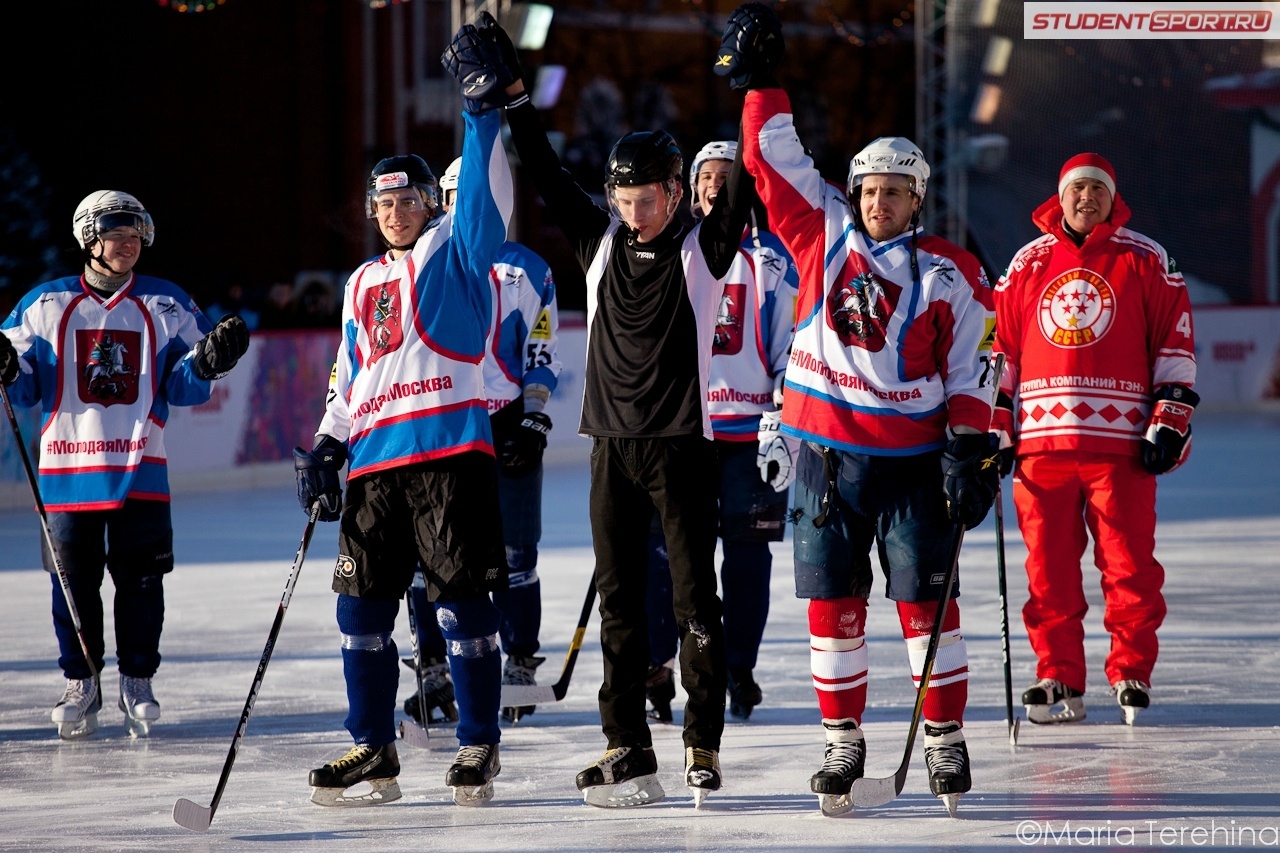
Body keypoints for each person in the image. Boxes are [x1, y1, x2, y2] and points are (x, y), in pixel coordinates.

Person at [716, 3, 999, 816]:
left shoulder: (951, 272)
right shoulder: (820, 233)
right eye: (870, 189)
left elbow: (972, 367)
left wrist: (972, 446)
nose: (879, 203)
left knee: (923, 605)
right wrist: (764, 83)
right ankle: (843, 739)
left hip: (913, 462)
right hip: (825, 457)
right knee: (832, 608)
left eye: (896, 192)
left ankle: (943, 738)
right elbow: (774, 161)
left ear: (919, 198)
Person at [479, 13, 758, 808]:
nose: (633, 213)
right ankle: (626, 744)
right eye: (623, 200)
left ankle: (701, 739)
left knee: (694, 599)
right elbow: (538, 166)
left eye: (646, 200)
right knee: (620, 603)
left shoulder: (706, 248)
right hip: (611, 448)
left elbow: (745, 174)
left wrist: (749, 87)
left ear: (676, 193)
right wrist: (513, 96)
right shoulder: (598, 241)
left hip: (680, 448)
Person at [294, 22, 521, 808]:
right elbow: (347, 377)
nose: (394, 211)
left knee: (460, 605)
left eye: (408, 198)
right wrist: (327, 445)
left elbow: (488, 206)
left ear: (430, 202)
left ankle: (478, 743)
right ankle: (372, 747)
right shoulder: (360, 284)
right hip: (375, 464)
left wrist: (480, 110)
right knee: (359, 609)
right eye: (383, 201)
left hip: (450, 455)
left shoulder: (456, 252)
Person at [0, 190, 249, 740]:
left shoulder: (166, 302)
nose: (130, 244)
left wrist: (209, 363)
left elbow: (183, 383)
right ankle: (80, 681)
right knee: (73, 585)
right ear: (89, 238)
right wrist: (6, 368)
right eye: (118, 234)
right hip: (67, 474)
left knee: (142, 582)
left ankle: (137, 677)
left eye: (137, 235)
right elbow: (23, 384)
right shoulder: (43, 305)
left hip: (142, 468)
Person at [990, 153, 1197, 727]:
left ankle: (1130, 669)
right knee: (1047, 571)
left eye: (1097, 190)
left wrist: (1170, 417)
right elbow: (1000, 351)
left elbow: (1175, 342)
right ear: (1060, 197)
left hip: (1121, 446)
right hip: (1041, 445)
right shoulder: (1027, 263)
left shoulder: (1146, 258)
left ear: (1113, 198)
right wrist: (995, 424)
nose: (1086, 198)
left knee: (1128, 565)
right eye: (1076, 189)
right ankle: (1057, 675)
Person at [644, 140, 799, 724]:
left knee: (747, 560)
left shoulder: (776, 262)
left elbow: (792, 345)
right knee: (666, 558)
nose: (715, 183)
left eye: (726, 175)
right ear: (690, 187)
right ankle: (659, 661)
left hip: (750, 440)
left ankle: (739, 666)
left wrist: (782, 413)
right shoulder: (669, 252)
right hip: (681, 436)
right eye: (705, 174)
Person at [403, 156, 562, 727]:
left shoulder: (528, 270)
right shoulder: (418, 263)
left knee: (517, 555)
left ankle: (518, 661)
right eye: (456, 195)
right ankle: (431, 665)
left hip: (505, 421)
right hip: (442, 423)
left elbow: (541, 350)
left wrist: (536, 415)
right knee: (430, 555)